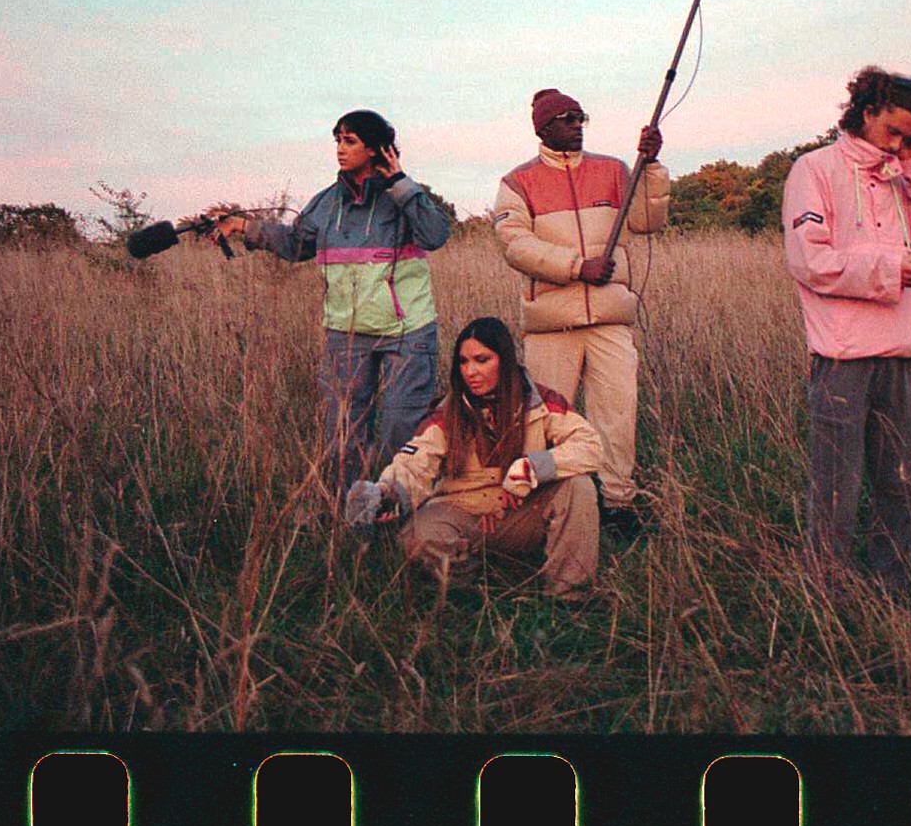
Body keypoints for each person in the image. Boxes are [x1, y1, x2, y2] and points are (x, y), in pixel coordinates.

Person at [780, 67, 911, 594]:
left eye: (910, 137)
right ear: (867, 111)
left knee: (900, 478)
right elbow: (810, 260)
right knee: (836, 484)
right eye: (894, 131)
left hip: (906, 348)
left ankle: (893, 585)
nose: (898, 144)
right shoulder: (813, 170)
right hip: (843, 353)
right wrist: (891, 268)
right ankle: (828, 586)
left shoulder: (903, 174)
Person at [211, 109, 451, 490]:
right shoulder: (325, 204)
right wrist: (244, 226)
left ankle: (401, 508)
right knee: (343, 434)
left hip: (407, 333)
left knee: (400, 431)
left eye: (350, 141)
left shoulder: (404, 196)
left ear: (376, 149)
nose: (340, 148)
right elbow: (295, 244)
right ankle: (350, 512)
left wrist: (401, 184)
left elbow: (435, 235)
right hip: (346, 333)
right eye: (338, 140)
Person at [490, 88, 668, 541]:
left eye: (580, 116)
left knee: (617, 416)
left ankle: (618, 505)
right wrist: (576, 267)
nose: (577, 125)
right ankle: (546, 508)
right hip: (551, 326)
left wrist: (651, 167)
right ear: (542, 128)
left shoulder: (615, 170)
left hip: (610, 319)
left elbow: (648, 221)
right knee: (545, 423)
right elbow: (515, 245)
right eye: (567, 118)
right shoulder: (517, 182)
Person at [347, 317, 604, 598]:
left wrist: (532, 468)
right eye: (464, 362)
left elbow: (590, 445)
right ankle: (471, 589)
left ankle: (569, 596)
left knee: (578, 487)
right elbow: (416, 462)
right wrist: (386, 492)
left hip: (522, 513)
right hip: (463, 514)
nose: (471, 371)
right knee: (416, 535)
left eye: (482, 360)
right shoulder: (448, 412)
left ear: (505, 360)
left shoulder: (539, 400)